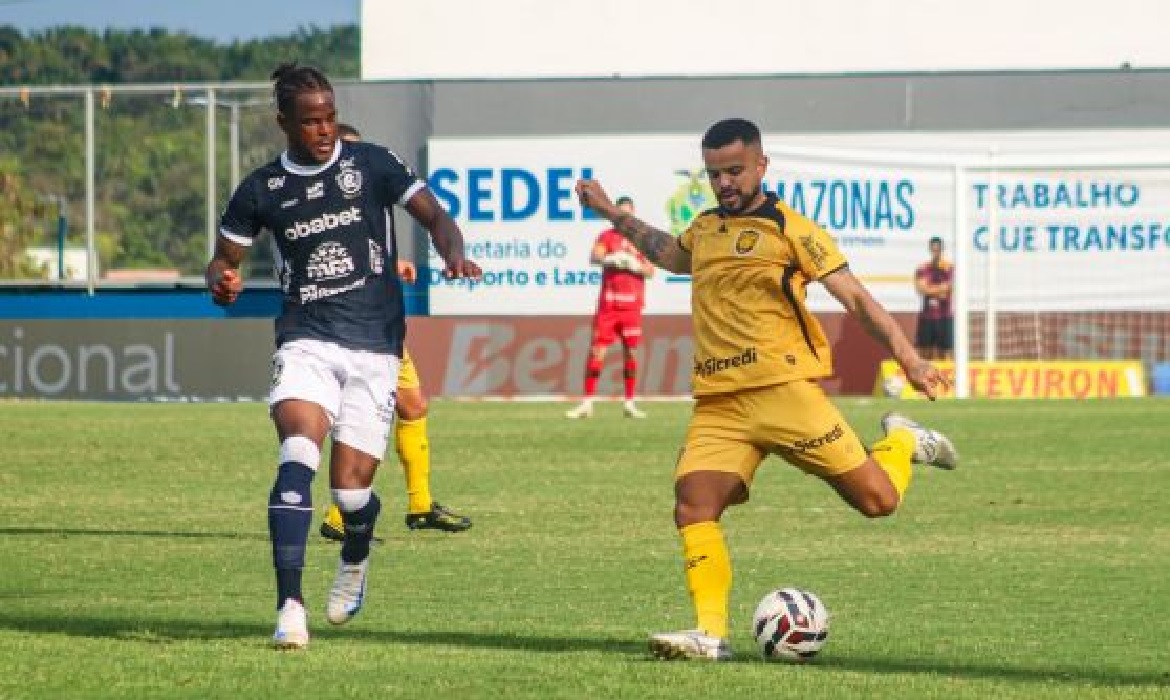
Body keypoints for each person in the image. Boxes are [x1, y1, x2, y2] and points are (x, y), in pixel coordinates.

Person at [575, 118, 958, 661]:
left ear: (761, 166)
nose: (725, 182)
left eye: (734, 170)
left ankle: (901, 441)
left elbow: (857, 299)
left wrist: (911, 359)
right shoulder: (705, 230)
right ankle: (710, 634)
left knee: (879, 501)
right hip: (720, 405)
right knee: (694, 505)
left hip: (785, 394)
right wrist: (612, 213)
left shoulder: (791, 229)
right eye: (714, 173)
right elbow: (664, 251)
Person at [206, 63, 481, 650]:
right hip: (306, 338)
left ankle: (355, 553)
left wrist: (453, 251)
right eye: (311, 121)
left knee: (352, 494)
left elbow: (435, 215)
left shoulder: (373, 165)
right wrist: (222, 278)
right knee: (298, 448)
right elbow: (223, 257)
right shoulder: (262, 189)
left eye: (330, 117)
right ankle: (289, 607)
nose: (325, 129)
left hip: (377, 346)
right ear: (284, 123)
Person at [318, 123, 471, 539]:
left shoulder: (366, 192)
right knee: (363, 414)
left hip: (383, 327)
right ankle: (339, 515)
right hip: (350, 330)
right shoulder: (320, 205)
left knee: (413, 405)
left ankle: (420, 504)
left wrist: (394, 262)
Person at [565, 195, 655, 419]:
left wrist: (634, 264)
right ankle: (587, 402)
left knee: (631, 353)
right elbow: (595, 256)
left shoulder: (642, 240)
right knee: (597, 352)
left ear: (633, 215)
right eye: (620, 213)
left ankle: (630, 402)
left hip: (632, 306)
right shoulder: (606, 237)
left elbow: (651, 270)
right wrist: (611, 259)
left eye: (628, 213)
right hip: (609, 305)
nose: (624, 218)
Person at [914, 236, 954, 360]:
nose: (936, 252)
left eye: (938, 249)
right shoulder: (923, 268)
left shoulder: (949, 268)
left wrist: (930, 289)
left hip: (944, 316)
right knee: (924, 353)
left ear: (942, 249)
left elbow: (950, 288)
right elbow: (921, 289)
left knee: (946, 354)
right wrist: (940, 289)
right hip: (927, 317)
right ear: (930, 249)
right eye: (933, 249)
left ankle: (947, 378)